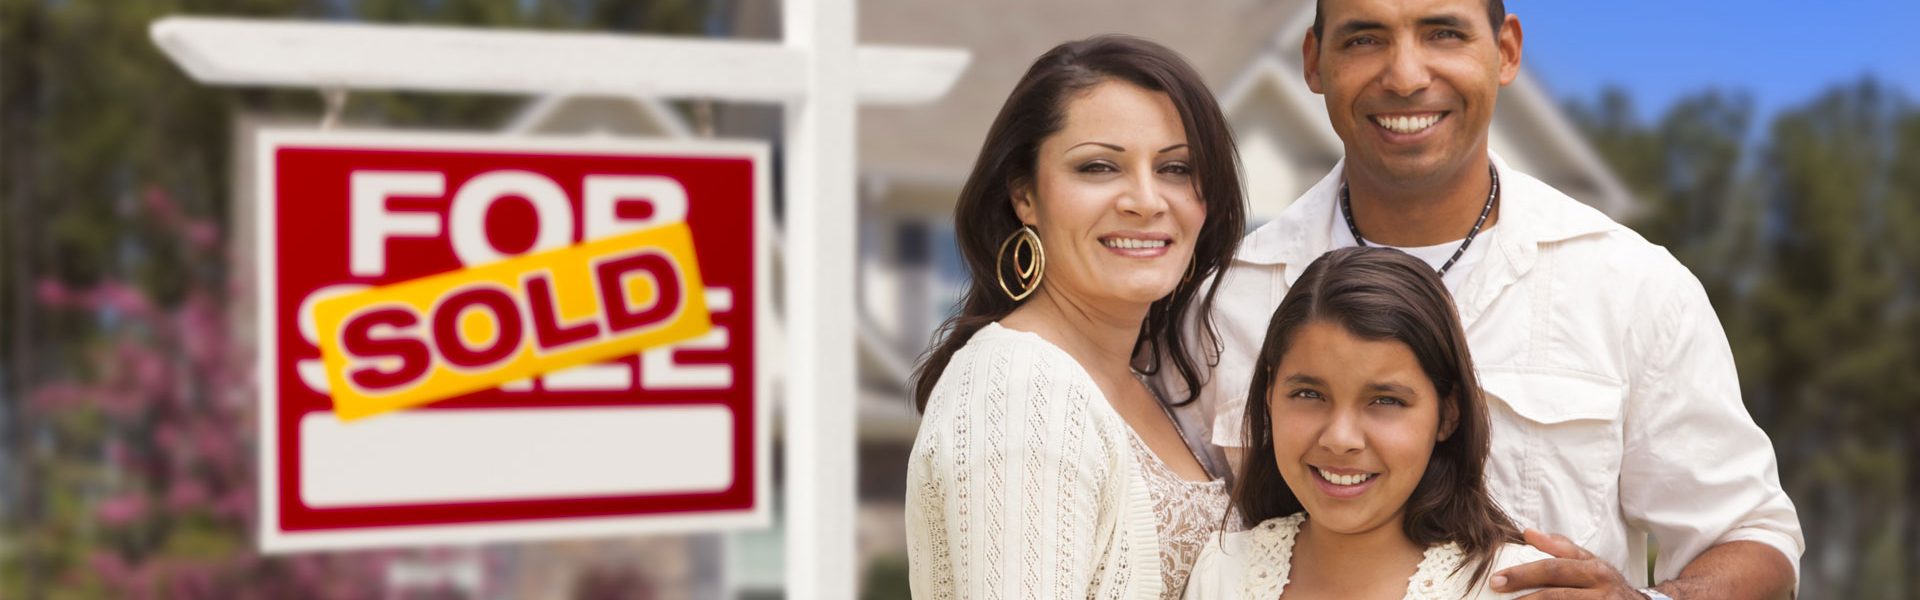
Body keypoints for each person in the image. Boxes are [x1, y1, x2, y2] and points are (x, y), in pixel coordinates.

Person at [1175, 1, 1804, 596]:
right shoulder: (1225, 302)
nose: (1405, 75)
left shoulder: (1632, 287)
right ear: (1314, 62)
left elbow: (1752, 535)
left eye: (1443, 32)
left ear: (1505, 51)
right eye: (1364, 38)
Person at [904, 35, 1247, 598]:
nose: (1146, 200)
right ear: (1025, 196)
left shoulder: (1142, 384)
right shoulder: (1018, 386)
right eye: (1098, 167)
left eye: (1177, 168)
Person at [1184, 246, 1548, 599]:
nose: (1340, 439)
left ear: (1448, 415)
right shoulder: (1221, 573)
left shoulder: (1520, 587)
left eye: (1386, 401)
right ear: (1269, 396)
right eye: (1309, 394)